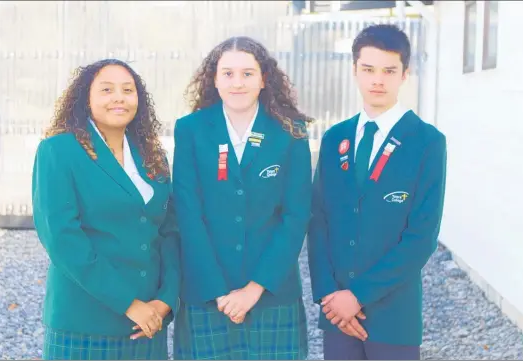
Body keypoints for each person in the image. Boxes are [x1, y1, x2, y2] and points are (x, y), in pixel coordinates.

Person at [307, 24, 447, 360]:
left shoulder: (427, 141)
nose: (377, 80)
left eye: (389, 70)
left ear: (405, 74)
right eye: (368, 69)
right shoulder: (334, 139)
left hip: (393, 316)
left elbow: (421, 237)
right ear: (354, 70)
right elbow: (318, 221)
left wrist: (358, 296)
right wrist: (330, 296)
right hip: (337, 313)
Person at [171, 36, 313, 360]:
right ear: (214, 79)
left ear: (264, 78)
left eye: (248, 73)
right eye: (228, 73)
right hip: (207, 294)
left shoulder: (290, 131)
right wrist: (219, 291)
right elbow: (188, 214)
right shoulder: (190, 130)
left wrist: (254, 289)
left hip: (271, 294)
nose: (238, 83)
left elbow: (296, 216)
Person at [31, 58, 180, 360]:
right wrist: (129, 303)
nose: (119, 97)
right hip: (85, 322)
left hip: (148, 321)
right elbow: (62, 239)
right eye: (107, 89)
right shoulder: (58, 151)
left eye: (128, 89)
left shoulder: (153, 155)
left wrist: (165, 300)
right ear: (85, 97)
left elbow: (170, 232)